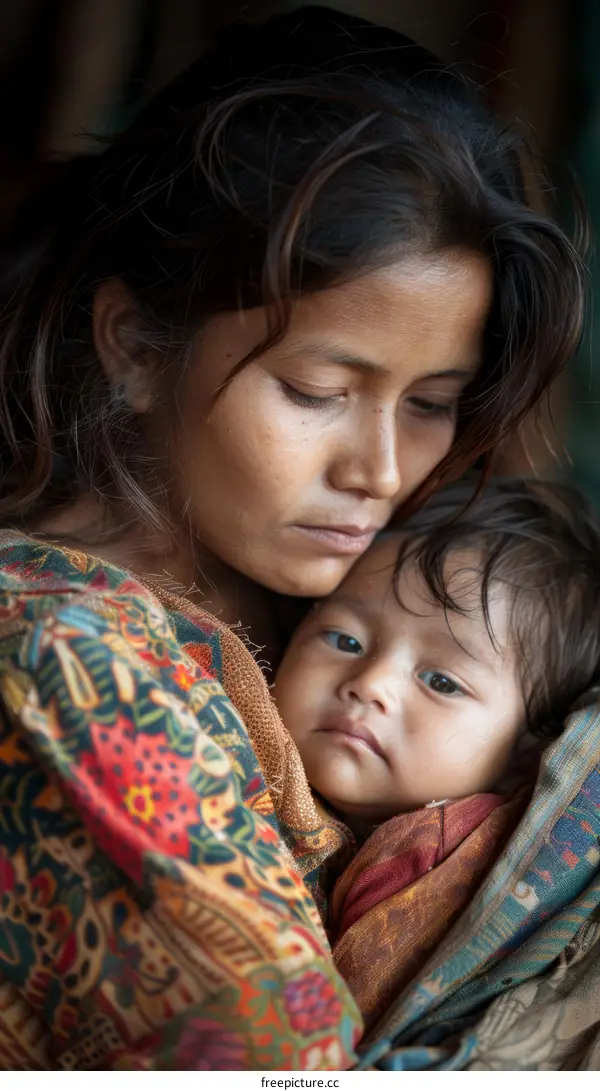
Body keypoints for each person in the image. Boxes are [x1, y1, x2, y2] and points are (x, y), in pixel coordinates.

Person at [0, 3, 589, 1073]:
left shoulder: (331, 591)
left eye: (431, 402)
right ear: (134, 342)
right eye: (320, 390)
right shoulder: (69, 669)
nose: (382, 471)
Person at [274, 476, 600, 1030]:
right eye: (344, 640)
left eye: (442, 682)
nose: (370, 683)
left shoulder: (426, 861)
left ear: (526, 751)